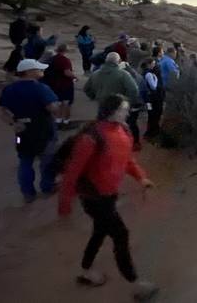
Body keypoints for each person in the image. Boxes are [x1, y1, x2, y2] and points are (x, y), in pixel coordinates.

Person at [58, 94, 158, 300]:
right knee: (120, 234)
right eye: (123, 109)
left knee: (100, 231)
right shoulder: (90, 138)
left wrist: (142, 178)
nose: (127, 112)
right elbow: (71, 174)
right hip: (94, 198)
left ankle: (86, 270)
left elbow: (127, 160)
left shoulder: (123, 131)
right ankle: (136, 283)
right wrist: (64, 208)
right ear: (111, 111)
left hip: (109, 195)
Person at [0, 59, 60, 202]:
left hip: (21, 132)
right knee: (47, 160)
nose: (42, 71)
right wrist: (57, 105)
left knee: (25, 161)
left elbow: (3, 111)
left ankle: (28, 193)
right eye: (39, 69)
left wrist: (13, 123)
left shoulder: (9, 89)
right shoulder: (41, 88)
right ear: (30, 72)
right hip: (44, 130)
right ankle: (47, 186)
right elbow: (52, 108)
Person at [44, 44, 77, 129]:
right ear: (65, 50)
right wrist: (74, 77)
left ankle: (57, 121)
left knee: (58, 103)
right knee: (66, 103)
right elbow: (67, 72)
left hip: (54, 84)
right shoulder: (65, 60)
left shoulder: (52, 59)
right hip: (65, 84)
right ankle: (66, 121)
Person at [140, 58, 163, 138]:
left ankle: (149, 131)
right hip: (153, 98)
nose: (154, 65)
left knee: (150, 114)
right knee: (155, 114)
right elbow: (153, 87)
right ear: (149, 64)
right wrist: (156, 79)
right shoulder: (149, 74)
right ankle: (153, 131)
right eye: (153, 63)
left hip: (148, 99)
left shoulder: (143, 72)